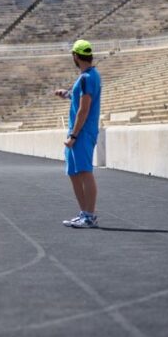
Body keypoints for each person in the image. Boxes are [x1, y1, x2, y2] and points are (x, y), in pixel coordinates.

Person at [54, 39, 102, 228]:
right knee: (74, 172)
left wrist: (73, 135)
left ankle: (90, 215)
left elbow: (84, 108)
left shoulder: (87, 78)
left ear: (75, 56)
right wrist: (66, 94)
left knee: (84, 171)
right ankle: (84, 213)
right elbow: (79, 99)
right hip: (78, 130)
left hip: (81, 131)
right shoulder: (88, 76)